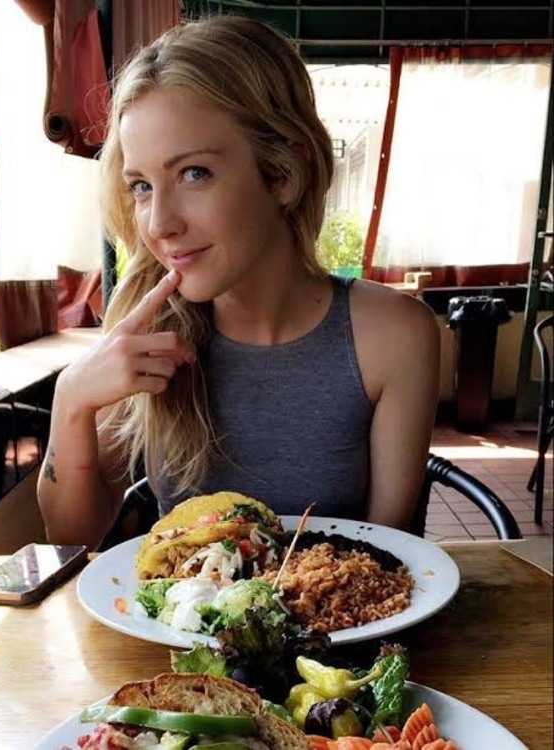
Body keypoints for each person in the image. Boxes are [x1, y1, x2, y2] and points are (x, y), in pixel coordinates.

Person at [37, 14, 441, 549]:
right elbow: (71, 536)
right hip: (180, 607)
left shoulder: (395, 336)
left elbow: (385, 555)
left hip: (336, 603)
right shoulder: (150, 328)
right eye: (141, 186)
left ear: (283, 174)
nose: (159, 224)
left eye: (194, 173)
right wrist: (71, 400)